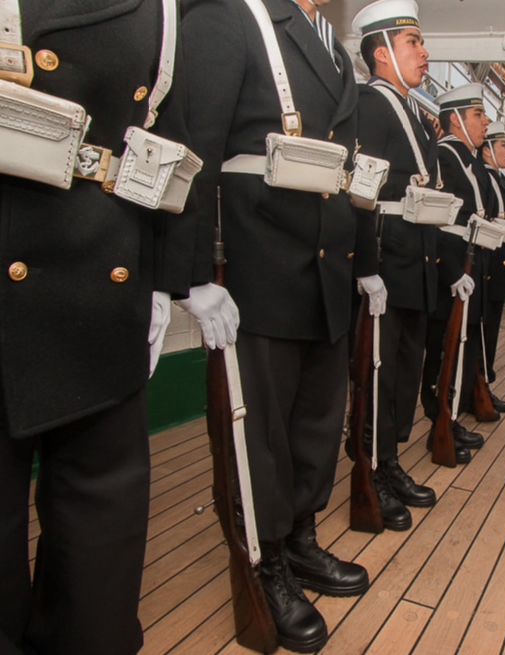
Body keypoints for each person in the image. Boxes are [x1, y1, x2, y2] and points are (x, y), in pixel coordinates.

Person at [0, 2, 236, 653]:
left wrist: (166, 279)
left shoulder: (162, 9)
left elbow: (174, 149)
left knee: (99, 560)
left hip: (104, 291)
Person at [182, 0, 380, 650]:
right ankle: (263, 563)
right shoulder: (228, 18)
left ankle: (298, 540)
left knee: (315, 424)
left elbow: (346, 170)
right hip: (258, 269)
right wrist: (190, 275)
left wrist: (363, 264)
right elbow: (195, 148)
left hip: (325, 271)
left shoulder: (331, 45)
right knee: (259, 434)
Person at [351, 0, 442, 531]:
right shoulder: (369, 103)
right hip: (387, 260)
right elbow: (361, 190)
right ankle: (371, 472)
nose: (424, 53)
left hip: (416, 262)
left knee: (403, 372)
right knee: (377, 377)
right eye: (413, 42)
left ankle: (390, 462)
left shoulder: (411, 112)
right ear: (381, 52)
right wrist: (366, 265)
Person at [420, 83, 493, 463]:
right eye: (478, 115)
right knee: (441, 348)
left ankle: (448, 417)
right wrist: (449, 271)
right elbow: (435, 219)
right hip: (451, 265)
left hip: (470, 260)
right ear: (455, 119)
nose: (485, 123)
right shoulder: (443, 157)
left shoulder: (469, 160)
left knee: (460, 345)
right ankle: (438, 422)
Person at [475, 122, 505, 417]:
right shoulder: (485, 179)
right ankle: (477, 390)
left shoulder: (498, 179)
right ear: (487, 150)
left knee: (490, 333)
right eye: (503, 145)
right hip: (487, 267)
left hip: (498, 266)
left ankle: (484, 385)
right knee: (482, 332)